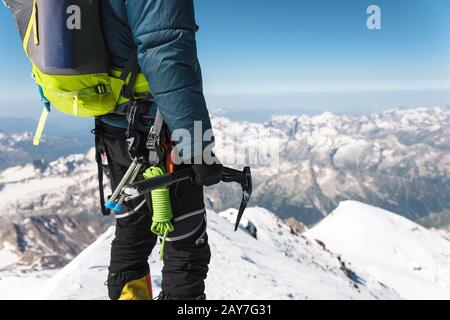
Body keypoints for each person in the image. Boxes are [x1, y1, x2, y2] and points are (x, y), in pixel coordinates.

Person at [97, 0, 223, 300]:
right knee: (186, 245)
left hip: (113, 130)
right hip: (159, 134)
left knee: (132, 232)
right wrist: (198, 147)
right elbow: (166, 54)